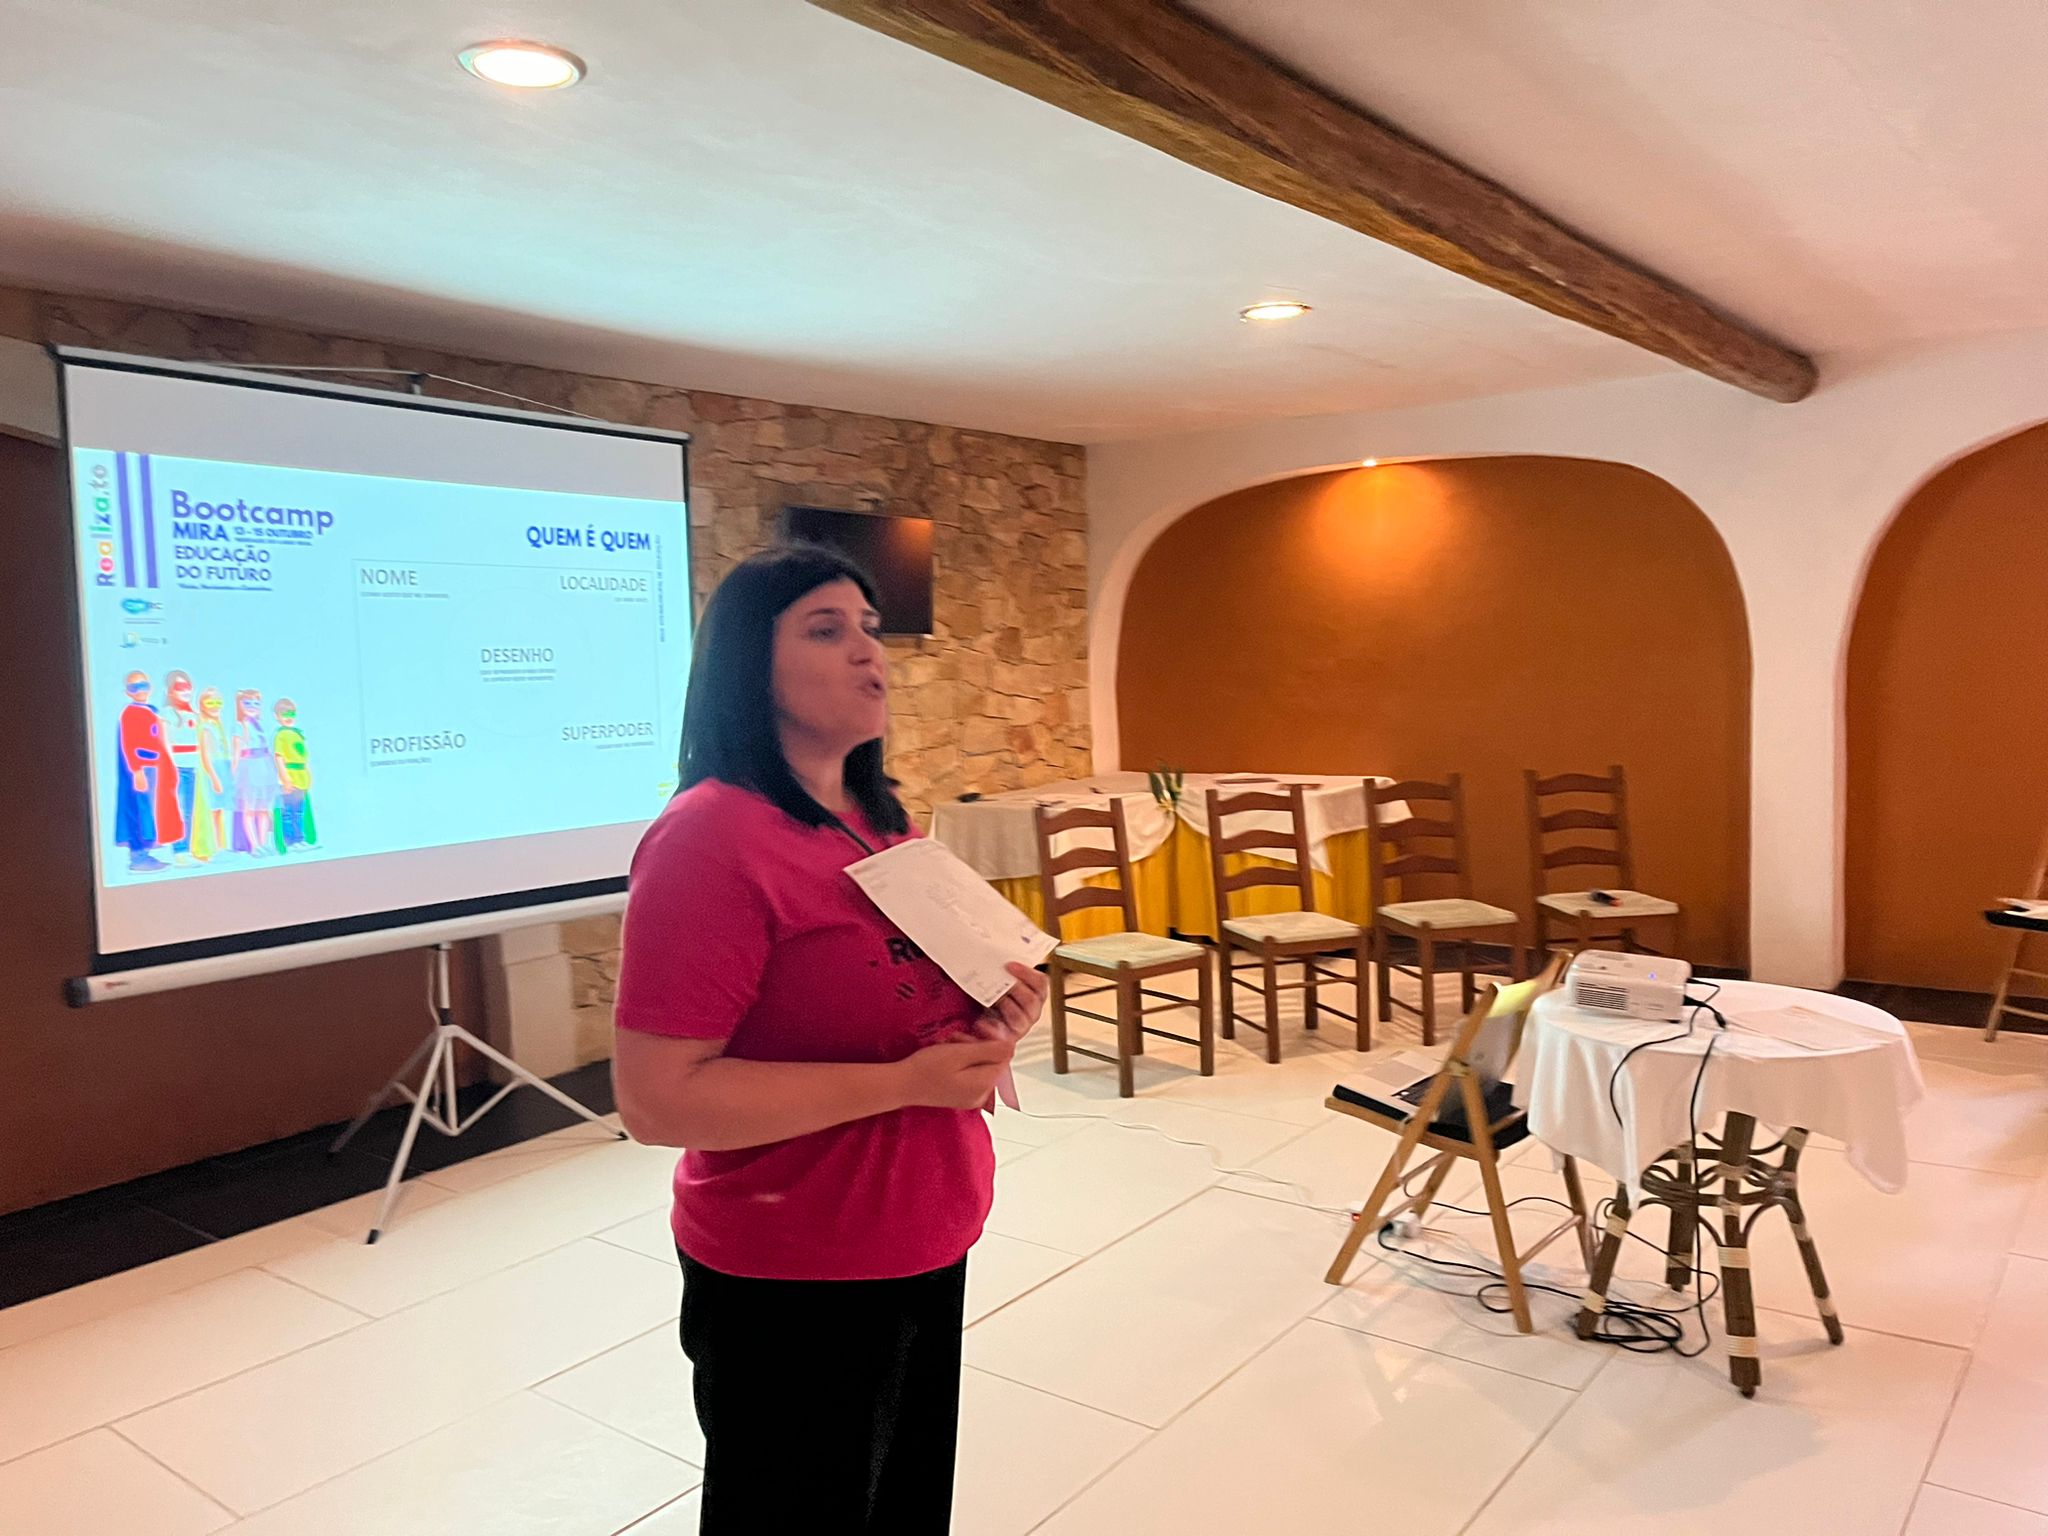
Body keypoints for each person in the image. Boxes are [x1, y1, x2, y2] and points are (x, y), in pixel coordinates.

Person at [611, 544, 1045, 1535]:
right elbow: (658, 1100)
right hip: (795, 1265)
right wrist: (908, 1083)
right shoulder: (709, 838)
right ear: (746, 666)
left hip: (922, 1231)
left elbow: (909, 1007)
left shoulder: (878, 825)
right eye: (824, 629)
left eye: (869, 628)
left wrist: (995, 1022)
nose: (867, 652)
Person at [231, 688, 277, 855]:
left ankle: (263, 842)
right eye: (247, 703)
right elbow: (236, 752)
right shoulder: (239, 726)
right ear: (240, 705)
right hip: (248, 768)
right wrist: (234, 774)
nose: (252, 706)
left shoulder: (262, 725)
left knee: (263, 809)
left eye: (256, 703)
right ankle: (255, 845)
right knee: (249, 809)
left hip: (264, 766)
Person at [163, 671, 200, 864]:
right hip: (177, 767)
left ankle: (188, 848)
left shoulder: (194, 714)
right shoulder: (167, 714)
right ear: (171, 691)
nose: (185, 691)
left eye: (188, 687)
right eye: (180, 687)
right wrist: (170, 768)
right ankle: (179, 851)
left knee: (190, 810)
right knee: (180, 810)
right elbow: (164, 743)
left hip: (193, 767)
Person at [272, 697, 316, 851]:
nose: (288, 717)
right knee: (289, 811)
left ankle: (299, 838)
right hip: (290, 776)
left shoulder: (298, 734)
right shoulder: (281, 735)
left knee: (299, 811)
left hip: (301, 776)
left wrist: (308, 774)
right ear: (277, 717)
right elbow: (279, 757)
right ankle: (290, 841)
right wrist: (285, 779)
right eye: (284, 714)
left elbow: (304, 757)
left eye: (291, 714)